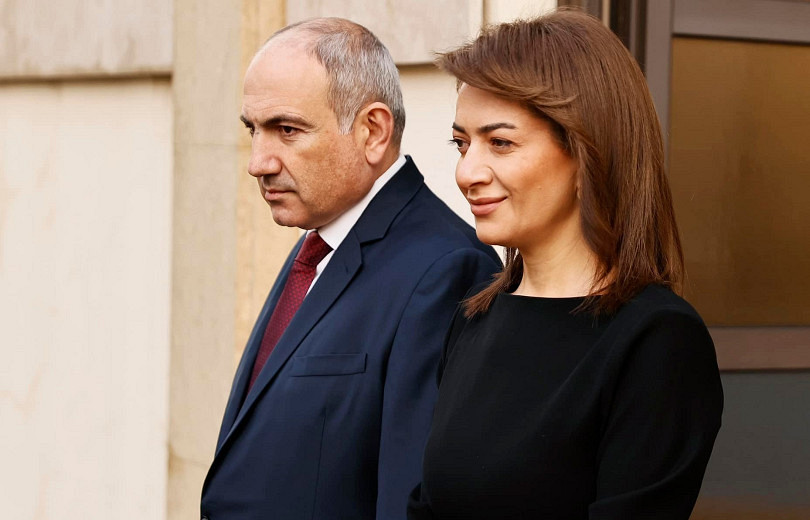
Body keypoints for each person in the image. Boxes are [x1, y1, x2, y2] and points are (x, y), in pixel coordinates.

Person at [407, 9, 723, 520]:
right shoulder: (474, 318)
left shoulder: (656, 340)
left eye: (501, 142)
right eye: (461, 143)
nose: (467, 172)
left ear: (586, 153)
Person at [199, 17, 500, 520]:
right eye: (254, 130)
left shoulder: (445, 269)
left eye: (287, 130)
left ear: (373, 131)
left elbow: (409, 500)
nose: (258, 162)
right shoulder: (322, 237)